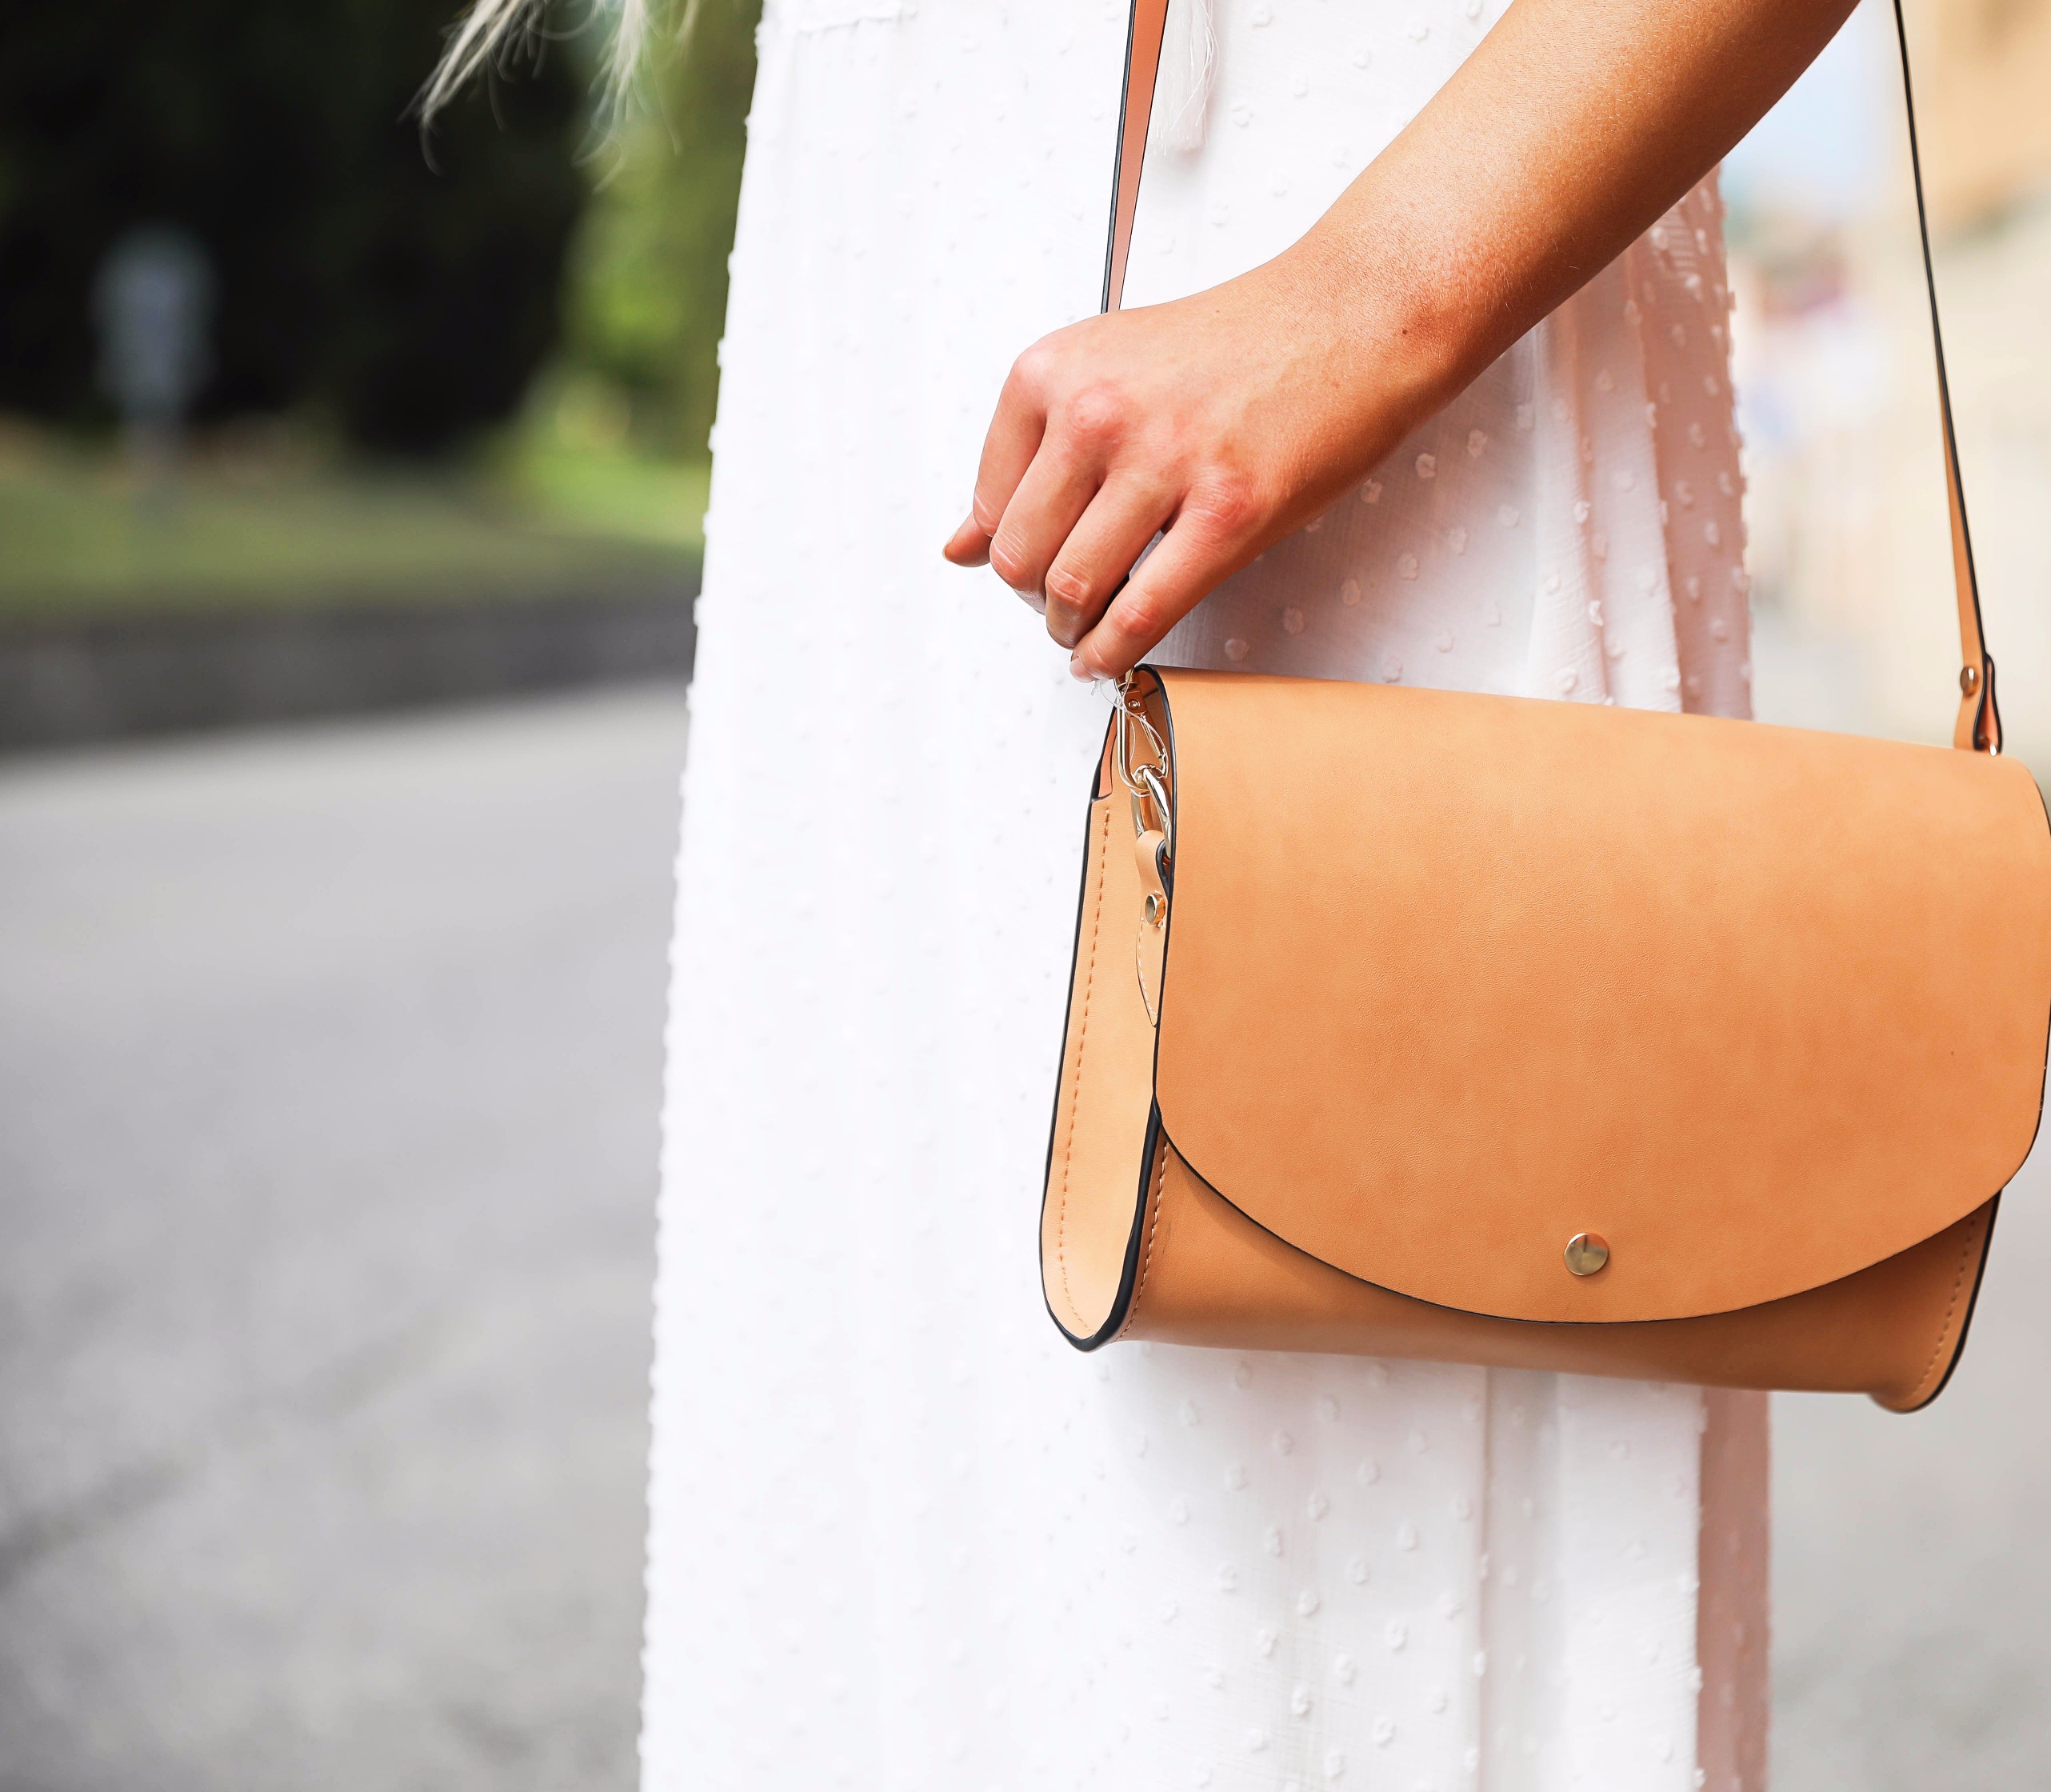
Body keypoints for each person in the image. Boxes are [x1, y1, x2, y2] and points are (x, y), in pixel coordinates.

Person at [442, 0, 1860, 1783]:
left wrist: (1367, 293)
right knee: (910, 1524)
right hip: (922, 300)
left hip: (1347, 256)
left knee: (1288, 1567)